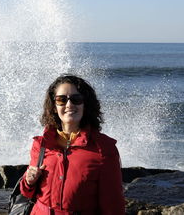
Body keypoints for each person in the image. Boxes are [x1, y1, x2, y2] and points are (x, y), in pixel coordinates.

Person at [20, 74, 125, 215]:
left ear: (85, 104)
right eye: (61, 100)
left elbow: (113, 204)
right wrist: (28, 182)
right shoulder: (41, 144)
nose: (69, 105)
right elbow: (27, 192)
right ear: (54, 107)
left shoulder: (104, 148)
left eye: (76, 99)